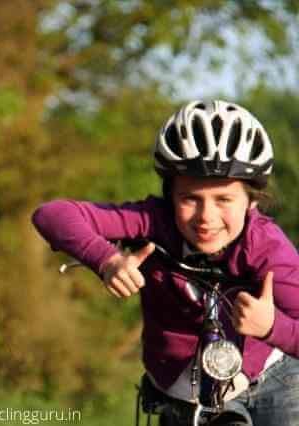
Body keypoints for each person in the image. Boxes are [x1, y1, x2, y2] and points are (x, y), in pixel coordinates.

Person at [32, 100, 299, 425]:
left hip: (271, 383)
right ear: (170, 195)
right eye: (190, 199)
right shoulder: (154, 220)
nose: (206, 217)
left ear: (252, 201)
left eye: (224, 200)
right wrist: (106, 259)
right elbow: (52, 215)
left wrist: (271, 327)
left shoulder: (266, 247)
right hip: (180, 393)